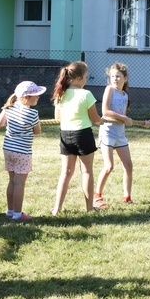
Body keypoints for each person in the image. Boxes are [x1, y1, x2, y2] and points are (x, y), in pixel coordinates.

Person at [94, 63, 150, 209]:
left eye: (118, 76)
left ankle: (127, 197)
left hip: (120, 134)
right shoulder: (109, 90)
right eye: (112, 76)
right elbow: (105, 111)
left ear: (125, 78)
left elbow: (123, 116)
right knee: (109, 167)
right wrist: (125, 119)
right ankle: (97, 197)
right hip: (107, 133)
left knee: (128, 166)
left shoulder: (125, 95)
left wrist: (141, 123)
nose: (115, 79)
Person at [51, 61, 103, 215]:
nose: (86, 80)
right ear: (79, 78)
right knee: (87, 171)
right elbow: (94, 118)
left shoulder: (60, 94)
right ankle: (88, 209)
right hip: (83, 134)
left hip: (65, 134)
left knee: (65, 173)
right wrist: (101, 121)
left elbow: (57, 116)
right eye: (86, 77)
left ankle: (57, 209)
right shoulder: (86, 94)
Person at [0, 81, 45, 221]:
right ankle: (17, 214)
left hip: (8, 149)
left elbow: (0, 123)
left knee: (12, 182)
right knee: (19, 184)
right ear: (26, 98)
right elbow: (37, 131)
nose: (38, 97)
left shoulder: (8, 108)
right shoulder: (33, 113)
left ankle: (10, 211)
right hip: (23, 152)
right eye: (36, 95)